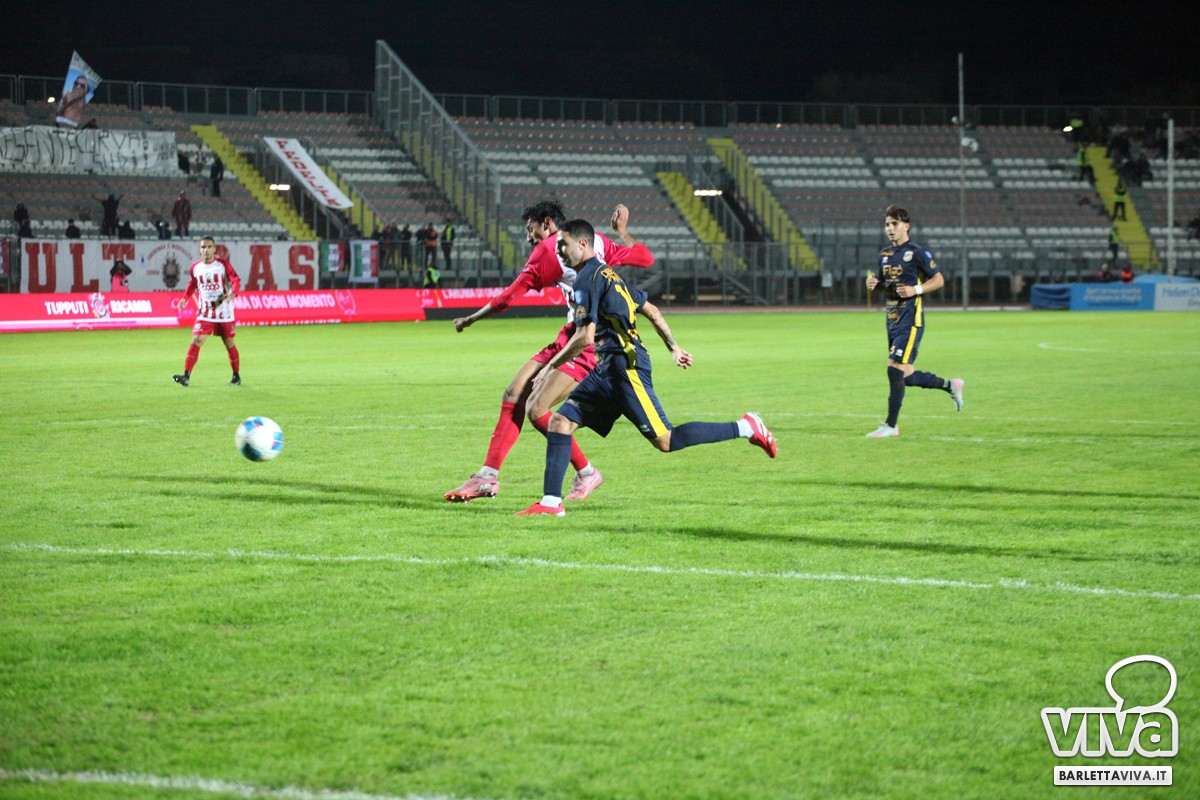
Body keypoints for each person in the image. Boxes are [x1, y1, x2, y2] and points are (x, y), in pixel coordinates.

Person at [515, 219, 777, 517]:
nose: (558, 250)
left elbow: (585, 336)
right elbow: (651, 309)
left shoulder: (587, 279)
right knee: (560, 422)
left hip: (626, 368)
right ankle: (551, 503)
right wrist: (673, 347)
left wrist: (549, 367)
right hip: (606, 368)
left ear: (583, 244)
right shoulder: (607, 273)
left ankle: (747, 426)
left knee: (666, 440)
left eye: (563, 244)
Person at [443, 199, 654, 504]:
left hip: (589, 340)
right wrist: (622, 232)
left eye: (531, 230)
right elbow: (645, 258)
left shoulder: (547, 250)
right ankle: (487, 476)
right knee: (513, 393)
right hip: (571, 333)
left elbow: (507, 299)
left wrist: (471, 319)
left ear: (547, 223)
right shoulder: (596, 241)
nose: (529, 238)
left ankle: (585, 473)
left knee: (537, 408)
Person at [863, 205, 963, 438]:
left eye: (894, 224)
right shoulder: (884, 255)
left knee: (893, 369)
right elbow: (887, 286)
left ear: (906, 226)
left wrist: (915, 289)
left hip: (911, 319)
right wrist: (875, 285)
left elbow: (938, 280)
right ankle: (951, 385)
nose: (890, 228)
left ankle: (891, 425)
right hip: (892, 319)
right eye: (887, 224)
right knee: (906, 375)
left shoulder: (917, 252)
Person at [172, 235, 242, 387]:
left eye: (209, 247)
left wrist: (233, 292)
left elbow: (236, 280)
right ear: (200, 249)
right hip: (205, 312)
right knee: (197, 340)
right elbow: (192, 284)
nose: (206, 250)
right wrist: (185, 298)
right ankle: (186, 376)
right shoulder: (195, 267)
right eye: (203, 247)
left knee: (228, 342)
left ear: (214, 249)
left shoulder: (222, 265)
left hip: (223, 310)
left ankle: (236, 376)